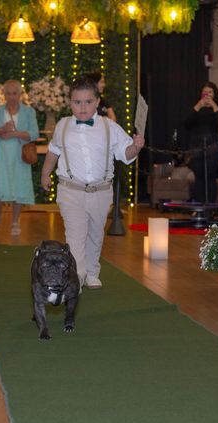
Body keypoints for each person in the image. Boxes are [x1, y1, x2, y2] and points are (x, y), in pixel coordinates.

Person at [41, 76, 144, 288]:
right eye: (77, 102)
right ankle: (76, 276)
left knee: (96, 234)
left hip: (101, 191)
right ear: (70, 103)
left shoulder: (110, 127)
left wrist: (136, 146)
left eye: (88, 102)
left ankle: (92, 271)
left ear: (97, 102)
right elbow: (53, 152)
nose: (83, 107)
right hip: (71, 190)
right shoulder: (63, 126)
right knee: (75, 235)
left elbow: (125, 154)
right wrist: (45, 174)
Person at [0, 79, 39, 236]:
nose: (12, 96)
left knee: (19, 187)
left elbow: (34, 133)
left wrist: (16, 133)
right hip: (0, 155)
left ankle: (15, 221)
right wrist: (1, 130)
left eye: (15, 93)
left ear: (20, 94)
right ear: (4, 94)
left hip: (20, 156)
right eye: (9, 93)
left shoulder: (29, 112)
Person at [184, 81, 218, 203]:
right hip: (197, 147)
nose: (207, 94)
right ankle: (198, 204)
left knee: (210, 176)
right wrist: (198, 106)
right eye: (204, 92)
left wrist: (214, 105)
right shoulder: (196, 108)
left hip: (213, 147)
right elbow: (186, 123)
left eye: (210, 92)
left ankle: (210, 205)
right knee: (198, 176)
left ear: (215, 94)